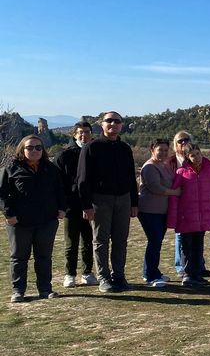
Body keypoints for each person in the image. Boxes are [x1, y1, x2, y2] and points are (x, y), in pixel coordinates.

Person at [77, 111, 138, 293]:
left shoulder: (125, 148)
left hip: (123, 199)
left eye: (117, 121)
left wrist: (134, 203)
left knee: (121, 240)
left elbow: (130, 178)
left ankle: (119, 276)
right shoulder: (91, 147)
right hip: (100, 200)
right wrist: (86, 205)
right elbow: (82, 180)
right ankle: (104, 277)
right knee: (101, 241)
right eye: (109, 121)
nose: (113, 124)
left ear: (121, 125)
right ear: (102, 124)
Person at [1, 135, 65, 302]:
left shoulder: (50, 168)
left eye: (38, 147)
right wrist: (9, 214)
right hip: (20, 222)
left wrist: (62, 208)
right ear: (22, 149)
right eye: (30, 147)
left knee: (44, 257)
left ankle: (45, 289)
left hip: (47, 221)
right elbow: (2, 194)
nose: (35, 150)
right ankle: (18, 291)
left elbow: (60, 190)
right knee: (19, 257)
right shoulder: (11, 168)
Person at [168, 145, 210, 287]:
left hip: (203, 216)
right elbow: (174, 197)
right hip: (186, 217)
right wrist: (173, 219)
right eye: (192, 155)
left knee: (198, 246)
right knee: (186, 247)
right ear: (187, 157)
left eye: (198, 154)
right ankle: (187, 275)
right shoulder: (181, 172)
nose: (196, 157)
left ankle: (197, 274)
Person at [54, 120, 97, 287]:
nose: (84, 135)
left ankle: (87, 272)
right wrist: (62, 205)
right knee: (71, 242)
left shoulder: (95, 153)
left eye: (87, 132)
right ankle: (69, 274)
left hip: (91, 205)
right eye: (80, 132)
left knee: (88, 241)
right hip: (71, 206)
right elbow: (58, 184)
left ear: (91, 134)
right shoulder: (63, 156)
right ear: (74, 134)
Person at [138, 139, 181, 288]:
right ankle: (151, 276)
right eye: (159, 150)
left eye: (165, 150)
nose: (163, 153)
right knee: (154, 242)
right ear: (152, 150)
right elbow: (156, 187)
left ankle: (149, 272)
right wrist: (175, 192)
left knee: (156, 242)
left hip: (161, 211)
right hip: (149, 211)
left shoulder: (164, 166)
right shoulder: (149, 167)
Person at [167, 130, 194, 277]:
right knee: (180, 235)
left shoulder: (194, 158)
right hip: (175, 201)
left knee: (195, 234)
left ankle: (196, 264)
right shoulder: (170, 162)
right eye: (180, 141)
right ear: (175, 144)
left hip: (192, 202)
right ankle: (181, 267)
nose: (183, 143)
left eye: (186, 140)